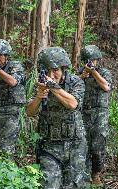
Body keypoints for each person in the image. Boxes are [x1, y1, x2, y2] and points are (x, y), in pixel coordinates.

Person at [26, 47, 88, 188]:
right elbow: (29, 112)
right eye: (47, 71)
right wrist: (39, 97)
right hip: (49, 146)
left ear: (63, 68)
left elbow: (72, 103)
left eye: (55, 70)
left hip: (75, 145)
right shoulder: (41, 85)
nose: (51, 75)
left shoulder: (76, 82)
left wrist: (52, 87)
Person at [79, 45, 112, 186]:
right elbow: (71, 88)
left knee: (98, 148)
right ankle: (85, 175)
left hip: (100, 114)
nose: (92, 62)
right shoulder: (80, 73)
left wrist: (93, 73)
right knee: (83, 145)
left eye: (93, 60)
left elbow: (106, 87)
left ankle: (96, 173)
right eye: (88, 60)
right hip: (83, 113)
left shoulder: (104, 73)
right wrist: (82, 76)